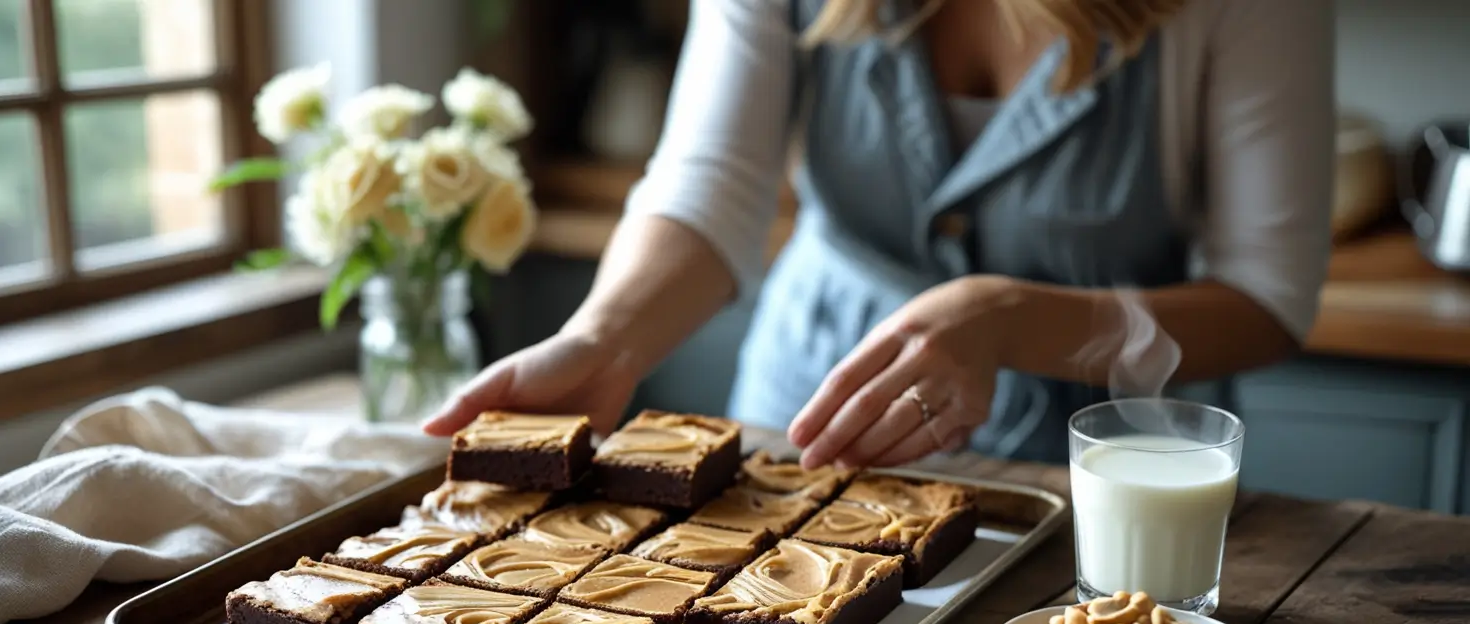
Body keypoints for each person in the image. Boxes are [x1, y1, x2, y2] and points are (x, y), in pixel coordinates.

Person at [423, 0, 1334, 470]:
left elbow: (1267, 299)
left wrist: (1007, 317)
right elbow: (712, 183)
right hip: (807, 417)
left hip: (1105, 476)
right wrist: (603, 339)